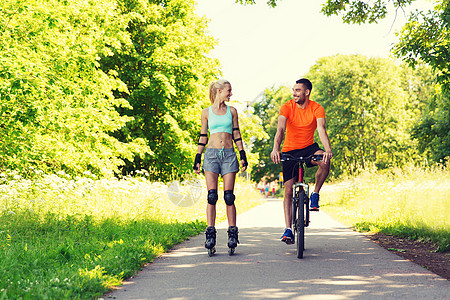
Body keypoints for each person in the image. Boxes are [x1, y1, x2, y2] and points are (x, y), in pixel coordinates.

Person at [270, 78, 333, 244]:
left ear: (307, 92)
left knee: (325, 161)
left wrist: (328, 149)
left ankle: (315, 194)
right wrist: (275, 149)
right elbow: (281, 129)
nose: (294, 93)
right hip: (289, 150)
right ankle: (288, 229)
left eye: (298, 90)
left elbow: (321, 129)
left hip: (309, 148)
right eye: (293, 90)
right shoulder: (287, 107)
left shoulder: (317, 108)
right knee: (289, 190)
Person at [193, 79, 248, 254]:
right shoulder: (206, 112)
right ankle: (210, 234)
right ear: (219, 90)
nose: (231, 93)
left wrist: (242, 154)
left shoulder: (232, 111)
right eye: (228, 90)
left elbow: (236, 133)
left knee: (229, 196)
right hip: (211, 155)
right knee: (211, 196)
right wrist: (197, 157)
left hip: (229, 155)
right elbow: (203, 135)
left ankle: (232, 233)